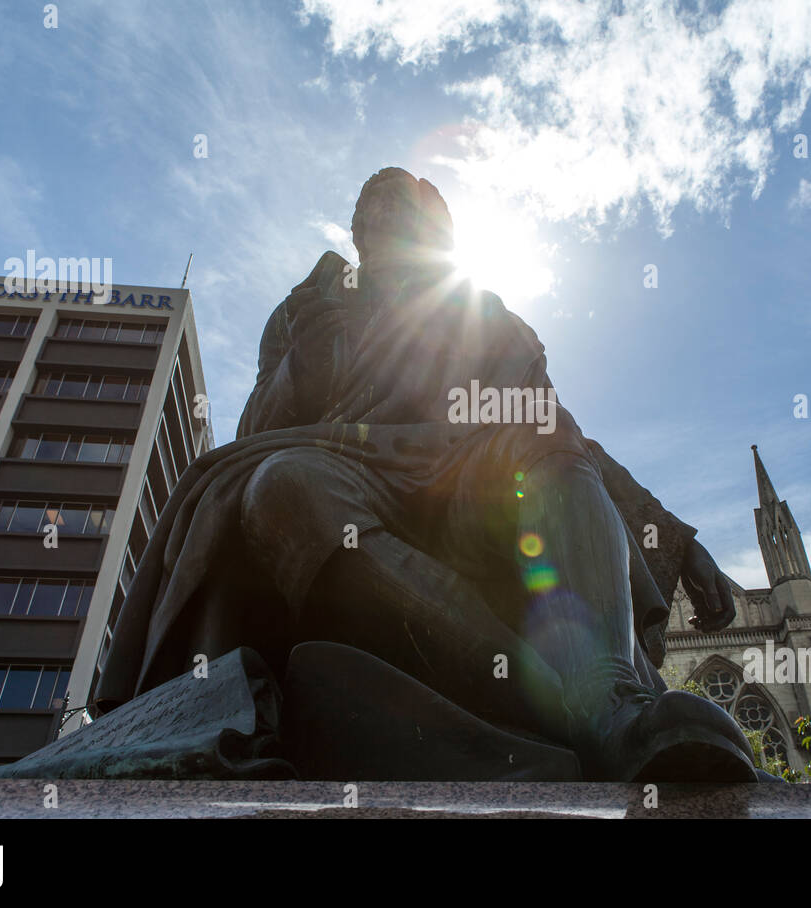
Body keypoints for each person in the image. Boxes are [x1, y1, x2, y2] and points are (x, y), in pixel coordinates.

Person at [95, 167, 757, 782]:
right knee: (282, 486)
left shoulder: (479, 314)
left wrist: (665, 533)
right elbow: (256, 430)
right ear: (357, 232)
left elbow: (562, 429)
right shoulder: (308, 307)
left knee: (537, 429)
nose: (397, 227)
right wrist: (307, 362)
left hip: (462, 475)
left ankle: (609, 696)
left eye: (415, 218)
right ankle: (557, 707)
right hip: (340, 461)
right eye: (381, 215)